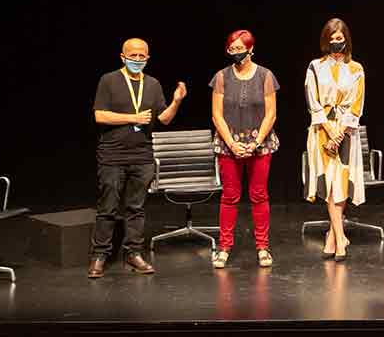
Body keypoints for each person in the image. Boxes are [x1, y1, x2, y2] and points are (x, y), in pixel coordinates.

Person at [88, 38, 187, 278]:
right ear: (122, 57)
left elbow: (163, 119)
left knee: (136, 208)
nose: (138, 59)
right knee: (108, 208)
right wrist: (132, 118)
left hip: (142, 155)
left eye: (143, 56)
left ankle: (134, 253)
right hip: (112, 154)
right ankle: (99, 255)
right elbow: (100, 116)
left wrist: (176, 101)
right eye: (133, 55)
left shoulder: (152, 83)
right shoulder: (108, 80)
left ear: (148, 58)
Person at [210, 30, 280, 269]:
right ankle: (224, 247)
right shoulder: (221, 77)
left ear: (251, 48)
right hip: (229, 145)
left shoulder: (265, 75)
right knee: (230, 196)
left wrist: (256, 142)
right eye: (232, 49)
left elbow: (271, 113)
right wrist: (231, 143)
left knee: (259, 195)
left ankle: (262, 247)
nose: (236, 52)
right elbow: (216, 114)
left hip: (259, 145)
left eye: (240, 48)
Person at [304, 18, 366, 261]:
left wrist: (340, 133)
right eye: (331, 39)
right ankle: (340, 239)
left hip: (347, 132)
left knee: (339, 185)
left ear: (346, 40)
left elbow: (358, 103)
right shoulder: (315, 66)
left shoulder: (357, 68)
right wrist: (329, 131)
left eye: (339, 39)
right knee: (330, 186)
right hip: (321, 131)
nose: (335, 43)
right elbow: (312, 100)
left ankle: (334, 236)